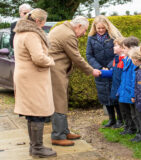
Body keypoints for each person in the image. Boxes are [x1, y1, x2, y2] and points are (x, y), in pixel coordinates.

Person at [48, 16, 101, 146]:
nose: (84, 34)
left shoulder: (61, 28)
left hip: (56, 69)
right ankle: (58, 136)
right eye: (84, 30)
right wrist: (91, 70)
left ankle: (64, 131)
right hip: (56, 71)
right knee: (59, 101)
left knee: (62, 100)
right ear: (78, 26)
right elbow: (76, 57)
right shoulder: (68, 34)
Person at [13, 8, 56, 158]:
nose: (43, 25)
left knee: (31, 113)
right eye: (43, 22)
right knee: (37, 112)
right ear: (38, 21)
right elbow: (38, 58)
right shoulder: (32, 34)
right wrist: (51, 60)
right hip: (33, 78)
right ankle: (37, 148)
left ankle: (34, 146)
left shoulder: (20, 32)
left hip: (26, 77)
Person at [86, 15, 123, 128]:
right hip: (99, 71)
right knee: (104, 96)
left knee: (115, 95)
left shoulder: (113, 37)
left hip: (113, 69)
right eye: (99, 28)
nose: (101, 30)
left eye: (103, 28)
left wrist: (109, 66)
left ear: (107, 27)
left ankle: (120, 120)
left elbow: (118, 52)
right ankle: (111, 119)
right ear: (95, 28)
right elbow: (89, 55)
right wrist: (99, 67)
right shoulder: (91, 38)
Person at [117, 36, 139, 135]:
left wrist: (133, 93)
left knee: (132, 113)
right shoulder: (126, 60)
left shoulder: (134, 62)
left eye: (124, 48)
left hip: (129, 91)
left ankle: (133, 129)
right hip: (124, 90)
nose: (123, 50)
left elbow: (134, 79)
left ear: (130, 49)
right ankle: (128, 127)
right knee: (125, 111)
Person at [109, 37, 125, 128]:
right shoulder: (116, 59)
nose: (113, 47)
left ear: (122, 48)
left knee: (122, 105)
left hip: (120, 87)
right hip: (115, 85)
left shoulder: (124, 60)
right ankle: (120, 120)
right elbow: (114, 72)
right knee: (116, 103)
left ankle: (122, 121)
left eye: (116, 45)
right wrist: (101, 73)